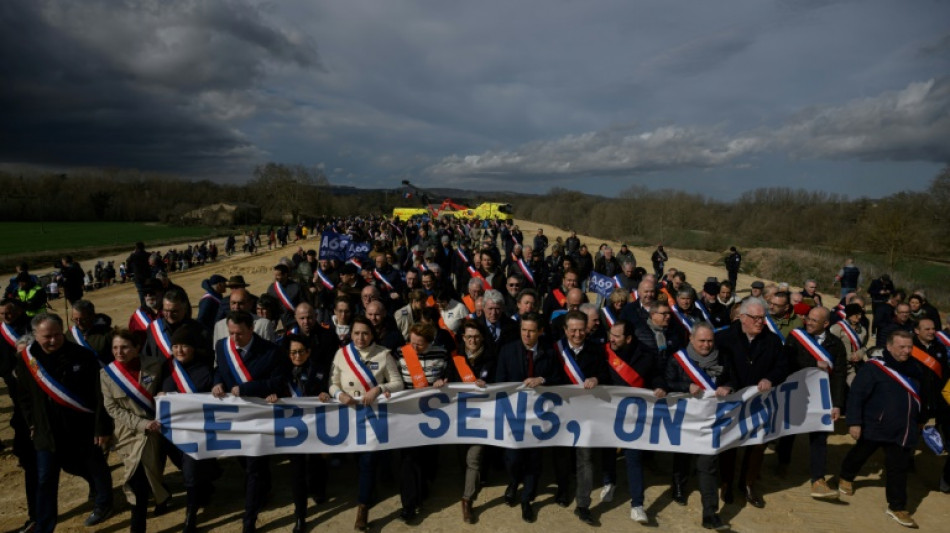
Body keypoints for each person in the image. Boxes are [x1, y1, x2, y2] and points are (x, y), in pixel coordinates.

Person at [16, 313, 114, 531]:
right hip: (46, 432)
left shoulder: (83, 356)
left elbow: (100, 396)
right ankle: (44, 526)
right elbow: (23, 396)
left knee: (94, 466)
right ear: (35, 336)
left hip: (82, 427)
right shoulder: (26, 360)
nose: (53, 340)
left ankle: (104, 502)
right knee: (45, 479)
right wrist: (32, 422)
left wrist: (102, 427)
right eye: (47, 336)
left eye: (57, 335)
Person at [211, 310, 287, 533]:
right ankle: (266, 487)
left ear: (251, 329)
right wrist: (217, 383)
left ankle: (249, 519)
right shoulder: (222, 347)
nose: (234, 339)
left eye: (240, 334)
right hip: (234, 419)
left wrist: (246, 389)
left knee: (254, 467)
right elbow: (219, 370)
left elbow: (278, 382)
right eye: (231, 333)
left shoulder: (271, 351)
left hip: (259, 418)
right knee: (247, 463)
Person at [838, 330, 922, 528]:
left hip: (903, 429)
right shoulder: (873, 368)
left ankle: (897, 506)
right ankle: (846, 476)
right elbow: (857, 395)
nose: (907, 351)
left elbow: (919, 396)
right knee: (861, 453)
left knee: (898, 468)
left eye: (910, 347)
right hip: (875, 425)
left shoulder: (915, 368)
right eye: (902, 347)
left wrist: (921, 418)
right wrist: (854, 422)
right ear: (889, 347)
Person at [329, 316, 404, 531]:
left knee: (368, 461)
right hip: (348, 415)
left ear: (372, 334)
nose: (360, 338)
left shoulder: (383, 353)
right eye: (356, 333)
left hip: (373, 417)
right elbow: (332, 383)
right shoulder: (341, 354)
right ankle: (370, 490)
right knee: (358, 459)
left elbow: (397, 383)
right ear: (350, 334)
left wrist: (378, 389)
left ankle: (362, 508)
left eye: (365, 333)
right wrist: (339, 395)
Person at [715, 297, 786, 508]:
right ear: (743, 318)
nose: (760, 322)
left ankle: (747, 483)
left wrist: (770, 379)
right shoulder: (724, 338)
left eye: (762, 318)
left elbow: (782, 367)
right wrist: (726, 383)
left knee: (758, 443)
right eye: (755, 318)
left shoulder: (772, 341)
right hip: (732, 401)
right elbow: (716, 367)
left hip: (760, 402)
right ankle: (726, 483)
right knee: (729, 443)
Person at [660, 322, 732, 530]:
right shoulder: (678, 359)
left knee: (707, 465)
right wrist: (685, 386)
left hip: (711, 422)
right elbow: (666, 382)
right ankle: (679, 487)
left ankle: (710, 513)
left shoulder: (723, 357)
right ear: (691, 339)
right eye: (702, 340)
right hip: (684, 420)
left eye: (710, 340)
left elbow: (733, 379)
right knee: (682, 457)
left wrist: (727, 386)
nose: (706, 345)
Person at [494, 312, 563, 523]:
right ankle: (514, 482)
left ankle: (526, 499)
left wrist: (542, 379)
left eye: (532, 330)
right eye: (524, 330)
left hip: (539, 418)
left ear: (540, 331)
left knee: (534, 459)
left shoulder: (549, 353)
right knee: (513, 458)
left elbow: (559, 379)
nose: (527, 334)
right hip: (514, 416)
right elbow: (500, 381)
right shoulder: (507, 351)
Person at [100, 330, 169, 532]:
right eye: (115, 348)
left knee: (152, 470)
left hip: (156, 429)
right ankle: (137, 527)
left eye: (124, 347)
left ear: (137, 348)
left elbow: (165, 388)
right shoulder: (106, 374)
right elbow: (112, 408)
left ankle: (162, 496)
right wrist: (141, 424)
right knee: (135, 477)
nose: (119, 352)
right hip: (128, 434)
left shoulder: (156, 364)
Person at [776, 307, 847, 497]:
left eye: (814, 320)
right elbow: (787, 362)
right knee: (789, 432)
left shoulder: (836, 344)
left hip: (822, 398)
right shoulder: (796, 337)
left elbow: (839, 375)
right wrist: (812, 364)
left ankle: (818, 479)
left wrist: (837, 404)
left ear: (826, 324)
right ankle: (782, 463)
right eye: (808, 318)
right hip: (798, 393)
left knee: (820, 437)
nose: (808, 322)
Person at [432, 319, 496, 523]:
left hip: (483, 417)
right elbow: (447, 379)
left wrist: (489, 385)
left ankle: (467, 499)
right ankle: (473, 479)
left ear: (482, 337)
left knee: (473, 458)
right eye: (469, 336)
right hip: (459, 418)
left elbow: (502, 383)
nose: (473, 340)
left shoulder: (492, 359)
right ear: (463, 338)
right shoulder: (455, 360)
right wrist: (442, 382)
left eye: (476, 336)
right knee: (464, 457)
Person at [266, 334, 331, 533]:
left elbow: (330, 388)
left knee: (317, 463)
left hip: (316, 427)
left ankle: (319, 490)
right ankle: (300, 515)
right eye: (293, 352)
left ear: (308, 352)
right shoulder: (281, 371)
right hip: (292, 429)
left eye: (301, 352)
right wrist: (271, 396)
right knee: (297, 473)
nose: (297, 355)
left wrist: (326, 393)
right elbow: (271, 388)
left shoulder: (320, 369)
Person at [554, 311, 609, 524]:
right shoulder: (556, 350)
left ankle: (583, 504)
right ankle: (562, 489)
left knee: (585, 457)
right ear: (565, 330)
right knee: (562, 456)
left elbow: (606, 374)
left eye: (581, 330)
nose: (577, 334)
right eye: (573, 330)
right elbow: (549, 374)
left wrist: (597, 378)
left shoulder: (596, 349)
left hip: (587, 414)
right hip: (562, 412)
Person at [394, 323, 449, 521]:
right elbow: (394, 379)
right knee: (408, 459)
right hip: (408, 414)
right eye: (411, 342)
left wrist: (443, 381)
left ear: (430, 342)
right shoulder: (401, 354)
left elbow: (448, 375)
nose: (414, 348)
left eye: (419, 345)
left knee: (427, 458)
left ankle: (423, 486)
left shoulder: (441, 354)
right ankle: (408, 505)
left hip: (433, 415)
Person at [0, 300, 38, 533]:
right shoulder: (1, 333)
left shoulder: (32, 325)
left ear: (20, 310)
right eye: (3, 313)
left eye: (10, 311)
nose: (7, 315)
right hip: (15, 389)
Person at [830, 303, 870, 385]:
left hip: (856, 366)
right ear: (849, 315)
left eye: (860, 314)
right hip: (841, 367)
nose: (859, 317)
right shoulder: (836, 328)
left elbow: (864, 347)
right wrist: (847, 355)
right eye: (856, 315)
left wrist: (860, 353)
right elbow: (832, 347)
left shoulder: (863, 330)